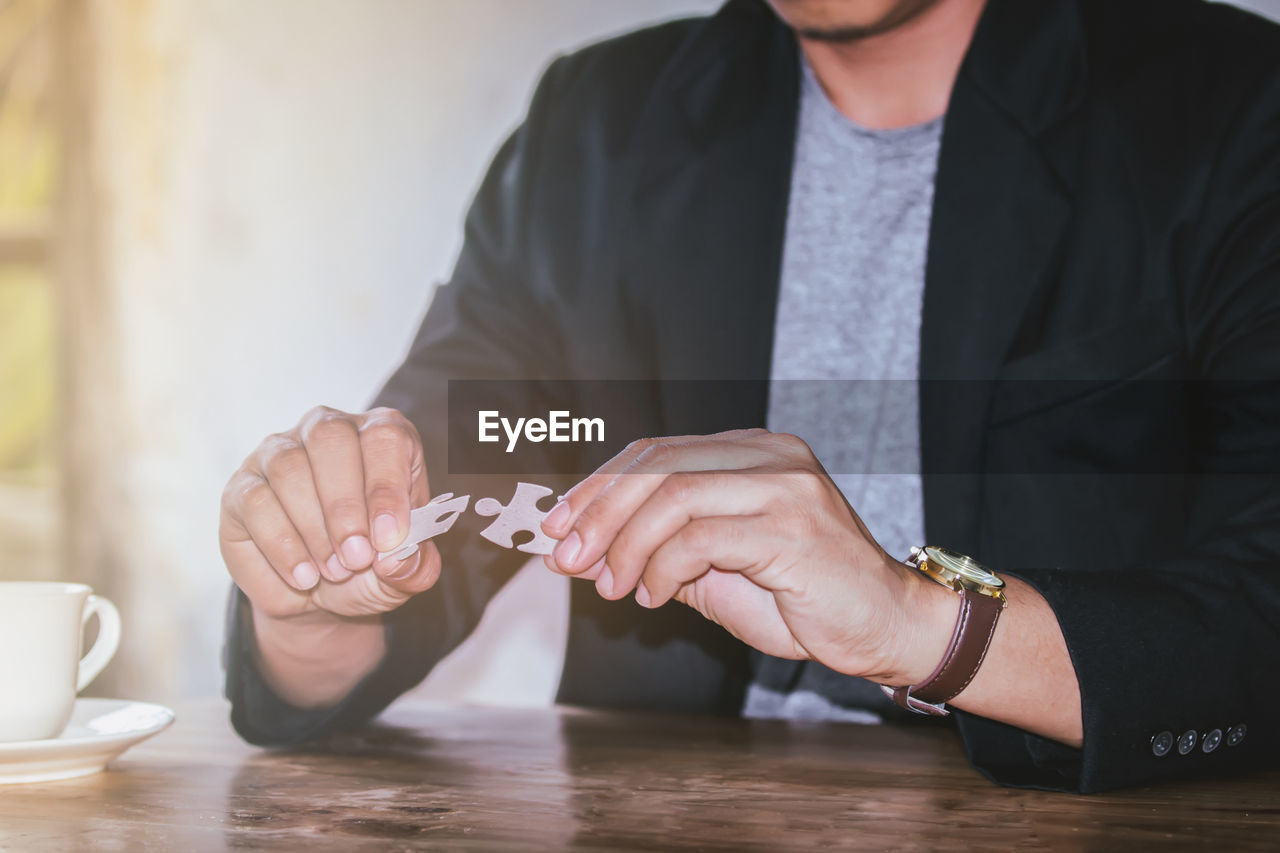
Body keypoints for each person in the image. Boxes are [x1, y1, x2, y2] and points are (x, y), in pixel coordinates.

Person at [219, 0, 1280, 793]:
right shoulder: (595, 132)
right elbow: (482, 453)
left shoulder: (1230, 107)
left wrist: (922, 626)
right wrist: (312, 602)